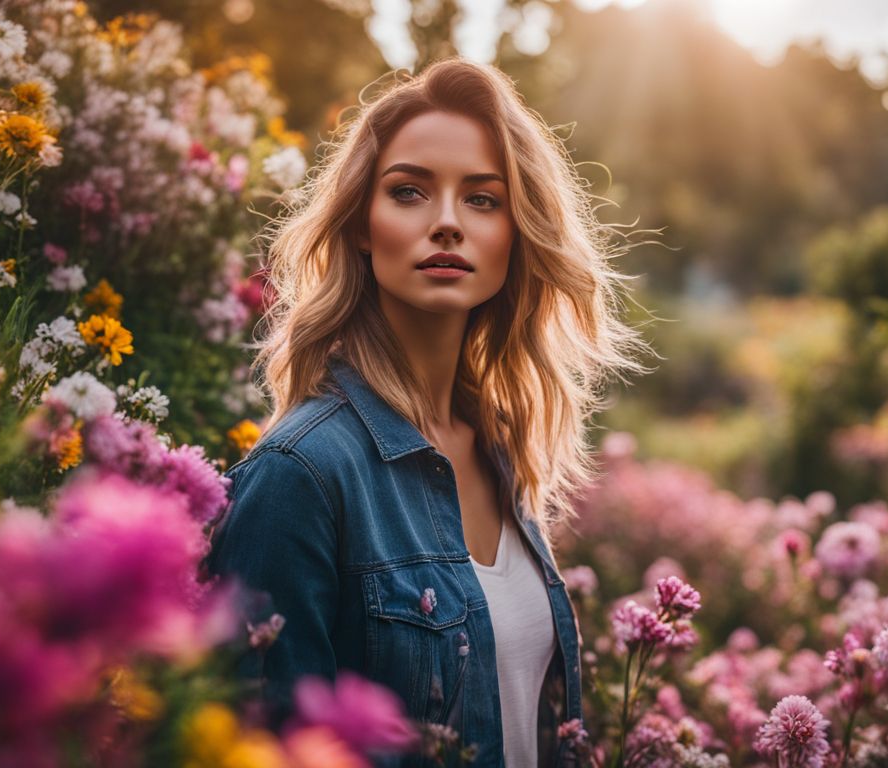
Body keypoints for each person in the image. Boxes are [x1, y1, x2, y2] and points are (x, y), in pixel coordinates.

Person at [205, 57, 649, 767]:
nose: (446, 222)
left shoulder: (499, 451)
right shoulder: (300, 476)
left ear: (516, 230)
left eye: (482, 199)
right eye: (409, 192)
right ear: (360, 225)